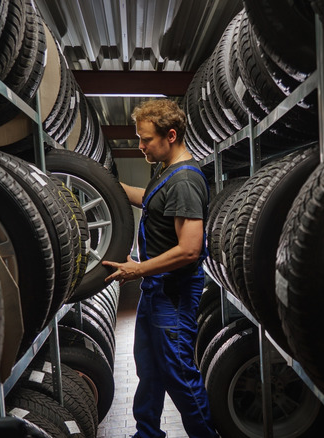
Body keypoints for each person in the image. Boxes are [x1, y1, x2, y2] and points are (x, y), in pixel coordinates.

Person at [102, 99, 218, 438]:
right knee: (149, 369)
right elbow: (149, 198)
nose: (140, 146)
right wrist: (108, 186)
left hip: (173, 293)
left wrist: (137, 270)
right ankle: (147, 433)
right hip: (155, 289)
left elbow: (189, 249)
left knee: (179, 373)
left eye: (145, 139)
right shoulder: (165, 171)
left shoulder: (185, 182)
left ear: (170, 135)